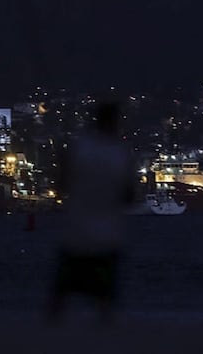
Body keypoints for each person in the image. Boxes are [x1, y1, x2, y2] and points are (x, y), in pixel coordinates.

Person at [47, 100, 135, 322]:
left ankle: (53, 323)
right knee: (105, 283)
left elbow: (61, 185)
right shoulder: (121, 153)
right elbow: (129, 196)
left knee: (65, 281)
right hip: (108, 230)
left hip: (77, 227)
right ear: (116, 121)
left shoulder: (78, 149)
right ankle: (105, 319)